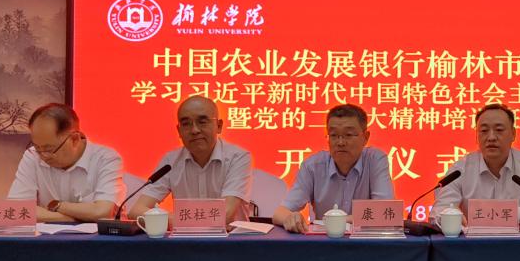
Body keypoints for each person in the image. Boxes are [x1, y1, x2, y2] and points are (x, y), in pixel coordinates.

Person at [128, 96, 252, 225]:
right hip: (184, 237)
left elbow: (225, 214)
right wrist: (171, 220)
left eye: (202, 122)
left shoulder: (238, 157)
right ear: (179, 131)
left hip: (232, 237)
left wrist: (173, 220)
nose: (194, 130)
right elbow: (136, 211)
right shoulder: (171, 161)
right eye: (186, 124)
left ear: (219, 126)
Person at [273, 104, 394, 233]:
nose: (340, 142)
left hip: (365, 241)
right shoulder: (312, 166)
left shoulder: (375, 160)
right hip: (326, 242)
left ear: (365, 137)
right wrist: (290, 218)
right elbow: (279, 213)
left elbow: (386, 211)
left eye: (348, 135)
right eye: (334, 135)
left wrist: (337, 220)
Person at [433, 103, 520, 223]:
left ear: (513, 134)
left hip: (518, 237)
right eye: (484, 130)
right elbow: (438, 212)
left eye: (499, 130)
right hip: (473, 237)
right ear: (476, 136)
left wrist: (500, 213)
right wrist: (452, 219)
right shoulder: (460, 170)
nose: (491, 137)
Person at [8, 103, 124, 223]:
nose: (43, 156)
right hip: (45, 235)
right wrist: (73, 217)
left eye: (49, 149)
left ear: (75, 139)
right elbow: (16, 209)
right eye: (37, 147)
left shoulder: (105, 159)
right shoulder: (32, 156)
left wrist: (57, 205)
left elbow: (103, 212)